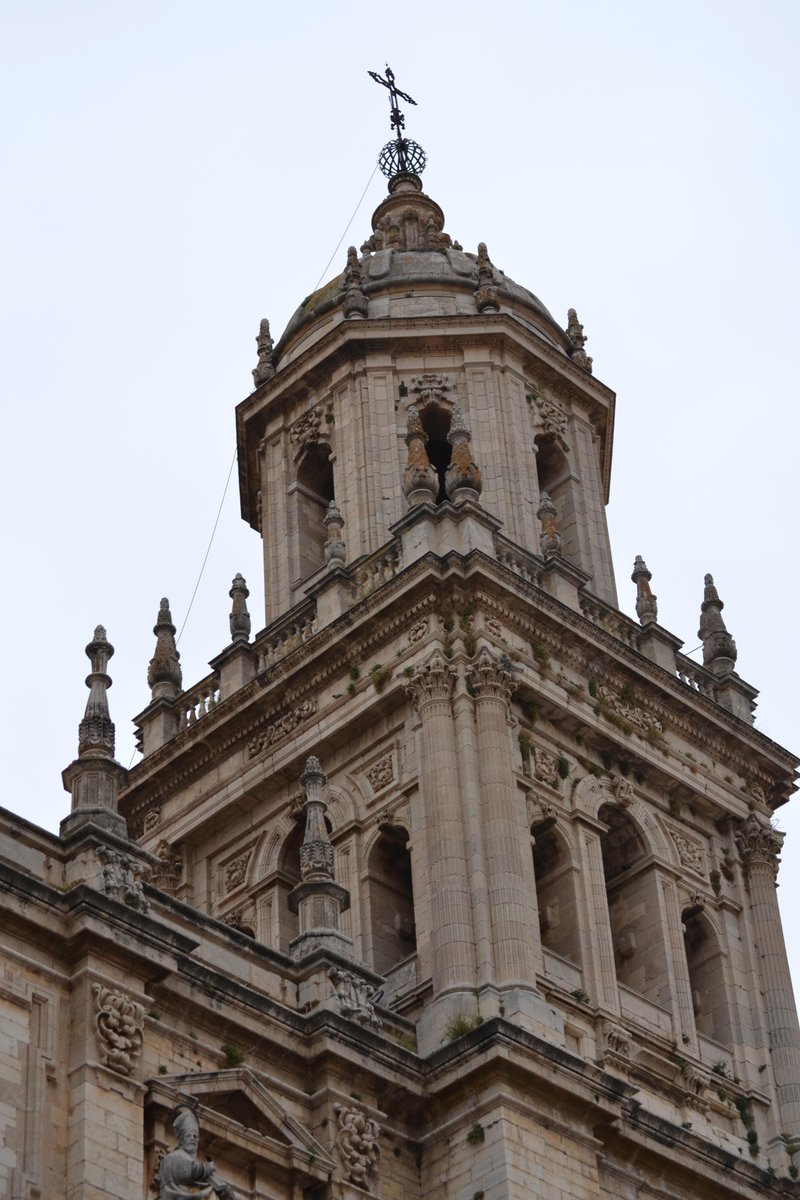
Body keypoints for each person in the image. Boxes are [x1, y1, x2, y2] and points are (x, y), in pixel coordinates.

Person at [158, 1108, 234, 1199]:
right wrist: (206, 1168)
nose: (192, 1138)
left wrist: (223, 1190)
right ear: (181, 1138)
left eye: (195, 1136)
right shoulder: (173, 1157)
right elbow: (189, 1171)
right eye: (188, 1135)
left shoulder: (196, 1165)